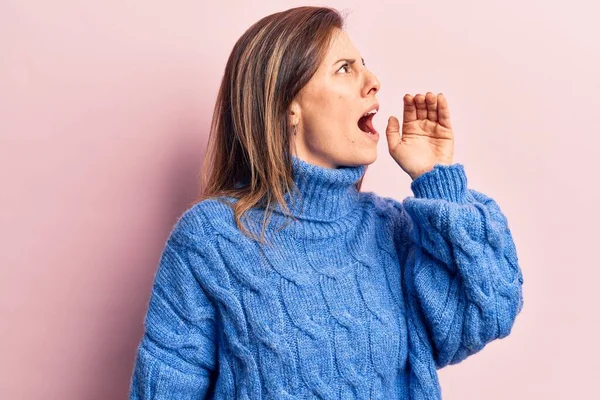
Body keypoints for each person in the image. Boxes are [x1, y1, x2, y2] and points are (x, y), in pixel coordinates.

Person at [128, 5, 524, 400]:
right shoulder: (211, 238)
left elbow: (485, 315)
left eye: (364, 65)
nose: (373, 81)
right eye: (344, 68)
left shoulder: (390, 228)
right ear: (289, 107)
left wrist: (437, 181)